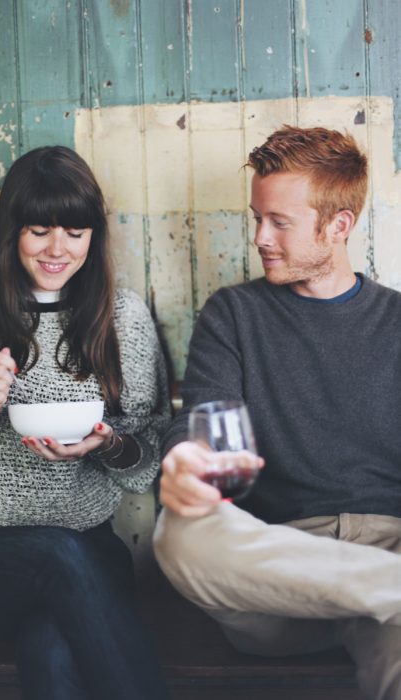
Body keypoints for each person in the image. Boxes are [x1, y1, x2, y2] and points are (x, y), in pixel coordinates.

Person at [153, 125, 401, 700]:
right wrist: (186, 460)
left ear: (337, 226)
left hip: (391, 551)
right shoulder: (234, 314)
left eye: (279, 222)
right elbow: (199, 431)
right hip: (278, 577)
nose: (261, 237)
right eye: (256, 218)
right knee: (179, 535)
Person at [0, 146, 171, 700]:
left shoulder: (122, 316)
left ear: (94, 234)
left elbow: (145, 464)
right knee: (58, 555)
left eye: (76, 231)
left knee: (51, 643)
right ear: (12, 230)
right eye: (39, 230)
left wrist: (106, 444)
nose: (58, 249)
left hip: (88, 551)